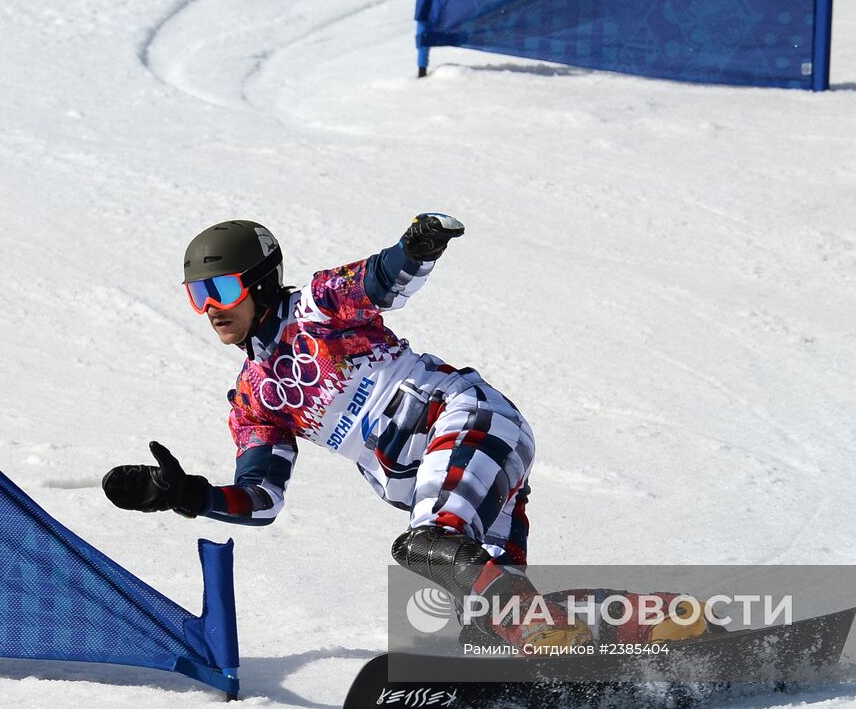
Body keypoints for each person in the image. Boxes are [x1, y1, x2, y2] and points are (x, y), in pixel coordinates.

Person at [101, 214, 592, 651]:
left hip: (466, 421)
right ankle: (610, 642)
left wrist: (417, 247)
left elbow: (380, 280)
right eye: (198, 294)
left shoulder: (316, 308)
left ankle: (540, 626)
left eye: (223, 290)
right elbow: (262, 498)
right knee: (488, 621)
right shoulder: (254, 399)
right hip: (440, 471)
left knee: (431, 545)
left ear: (261, 284)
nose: (211, 307)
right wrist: (190, 495)